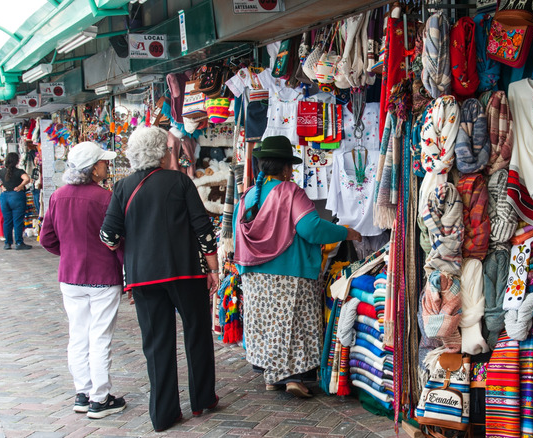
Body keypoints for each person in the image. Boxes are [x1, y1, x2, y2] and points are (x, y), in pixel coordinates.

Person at [100, 126, 218, 433]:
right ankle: (202, 398)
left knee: (157, 344)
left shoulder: (122, 186)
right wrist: (213, 267)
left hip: (143, 277)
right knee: (197, 334)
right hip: (185, 272)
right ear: (162, 152)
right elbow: (203, 229)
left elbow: (109, 235)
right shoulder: (180, 181)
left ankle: (163, 414)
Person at [233, 135, 362, 398]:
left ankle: (272, 376)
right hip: (290, 272)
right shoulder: (290, 192)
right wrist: (345, 232)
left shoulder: (247, 196)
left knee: (268, 325)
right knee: (291, 325)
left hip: (254, 275)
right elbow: (310, 228)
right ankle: (292, 377)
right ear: (285, 168)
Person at [39, 142, 126, 419]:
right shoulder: (106, 198)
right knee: (99, 337)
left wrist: (68, 254)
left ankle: (83, 393)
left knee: (78, 336)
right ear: (93, 169)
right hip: (103, 276)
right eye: (103, 162)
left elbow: (47, 239)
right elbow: (118, 239)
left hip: (71, 276)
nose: (107, 166)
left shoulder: (58, 197)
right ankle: (99, 399)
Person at [0, 152, 31, 250]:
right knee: (18, 221)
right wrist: (20, 186)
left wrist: (1, 186)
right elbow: (27, 179)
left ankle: (7, 243)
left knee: (7, 221)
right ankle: (19, 242)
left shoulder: (1, 172)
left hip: (5, 197)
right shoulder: (19, 171)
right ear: (17, 161)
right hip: (17, 197)